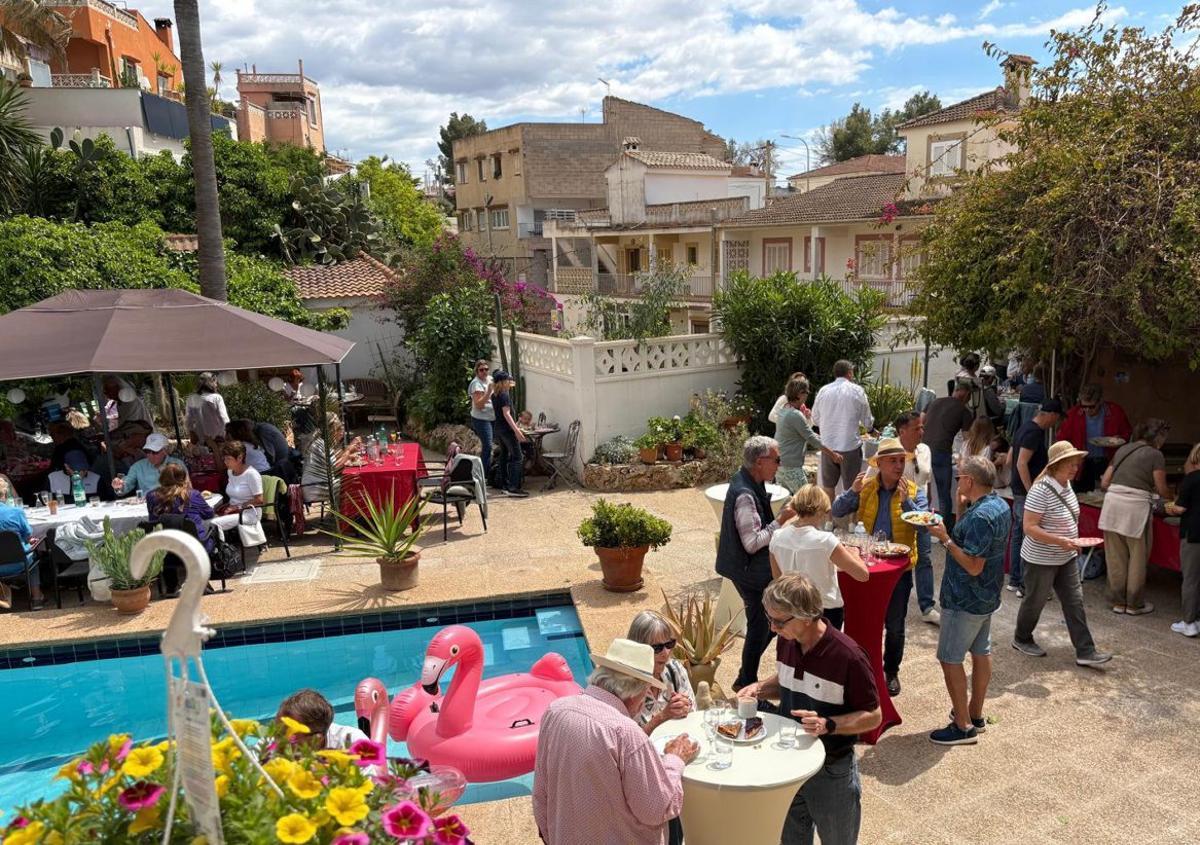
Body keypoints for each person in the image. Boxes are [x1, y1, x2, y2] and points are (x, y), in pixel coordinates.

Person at [737, 573, 880, 845]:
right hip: (789, 762)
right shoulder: (787, 640)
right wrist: (759, 688)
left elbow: (874, 715)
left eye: (778, 621)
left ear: (805, 616)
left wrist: (829, 724)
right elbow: (788, 680)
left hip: (831, 769)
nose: (773, 627)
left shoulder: (848, 656)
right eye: (769, 619)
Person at [533, 638, 699, 845]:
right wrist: (675, 759)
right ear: (636, 692)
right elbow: (658, 809)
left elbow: (541, 792)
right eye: (647, 691)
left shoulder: (555, 711)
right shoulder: (626, 734)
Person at [832, 437, 928, 696]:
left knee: (895, 624)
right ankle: (860, 666)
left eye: (901, 461)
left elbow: (923, 523)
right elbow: (836, 510)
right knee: (863, 619)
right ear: (881, 464)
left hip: (899, 568)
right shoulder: (866, 487)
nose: (899, 466)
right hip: (868, 565)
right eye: (893, 461)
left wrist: (907, 502)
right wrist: (852, 491)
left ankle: (891, 671)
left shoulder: (912, 490)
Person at [925, 457, 1011, 745]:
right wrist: (960, 509)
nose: (958, 481)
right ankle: (974, 714)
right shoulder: (998, 506)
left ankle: (962, 727)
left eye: (960, 477)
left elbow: (974, 565)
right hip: (988, 596)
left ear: (970, 481)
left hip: (965, 599)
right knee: (981, 651)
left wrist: (945, 539)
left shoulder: (979, 518)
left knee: (949, 659)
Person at [1011, 441, 1113, 666]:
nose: (1075, 468)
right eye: (1070, 464)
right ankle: (1022, 637)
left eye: (1075, 463)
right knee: (1035, 602)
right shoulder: (1040, 490)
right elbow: (1029, 527)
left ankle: (1086, 650)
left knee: (1075, 602)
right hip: (1041, 558)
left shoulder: (1066, 486)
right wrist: (1061, 540)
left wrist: (1070, 542)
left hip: (1066, 556)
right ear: (1056, 465)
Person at [716, 435, 798, 690]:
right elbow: (752, 542)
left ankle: (745, 678)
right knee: (762, 625)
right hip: (747, 572)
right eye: (776, 460)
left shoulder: (752, 482)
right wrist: (781, 520)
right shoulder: (744, 495)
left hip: (746, 568)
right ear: (761, 462)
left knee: (769, 625)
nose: (779, 465)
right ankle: (746, 683)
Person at [626, 611, 692, 845]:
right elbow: (626, 746)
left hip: (672, 764)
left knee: (676, 831)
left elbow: (692, 714)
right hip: (641, 774)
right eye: (656, 648)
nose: (666, 653)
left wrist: (684, 707)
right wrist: (660, 718)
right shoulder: (624, 684)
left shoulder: (674, 671)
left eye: (670, 644)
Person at [1098, 418, 1172, 615]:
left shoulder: (1123, 449)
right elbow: (1162, 488)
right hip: (1136, 509)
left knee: (1116, 557)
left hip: (1112, 506)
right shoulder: (1156, 454)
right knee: (1137, 558)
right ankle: (1133, 604)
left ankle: (1117, 602)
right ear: (1160, 436)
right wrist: (1173, 497)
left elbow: (1105, 482)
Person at [770, 485, 868, 629]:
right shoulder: (825, 541)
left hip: (792, 608)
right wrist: (855, 554)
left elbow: (778, 579)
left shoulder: (777, 537)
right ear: (821, 510)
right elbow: (862, 574)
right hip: (824, 610)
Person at [1007, 399, 1064, 597]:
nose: (1053, 424)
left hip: (1017, 489)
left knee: (1017, 535)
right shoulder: (1034, 432)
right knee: (1028, 537)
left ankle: (1015, 580)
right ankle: (1025, 585)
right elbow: (1022, 463)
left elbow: (1009, 459)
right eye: (1055, 419)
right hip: (1025, 492)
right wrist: (1032, 490)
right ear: (1051, 415)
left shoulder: (1024, 428)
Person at [896, 411, 938, 624]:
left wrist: (928, 507)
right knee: (895, 556)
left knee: (924, 556)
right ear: (902, 431)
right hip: (896, 510)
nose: (921, 432)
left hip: (919, 509)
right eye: (916, 428)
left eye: (922, 427)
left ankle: (927, 606)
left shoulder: (925, 450)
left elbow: (926, 481)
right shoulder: (891, 449)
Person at [810, 360, 873, 503]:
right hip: (849, 446)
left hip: (828, 447)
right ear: (849, 373)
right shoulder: (857, 390)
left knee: (828, 487)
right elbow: (867, 420)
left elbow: (815, 419)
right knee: (852, 487)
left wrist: (828, 425)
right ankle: (851, 523)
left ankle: (828, 522)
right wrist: (870, 429)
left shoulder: (823, 390)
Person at [1057, 384, 1132, 492]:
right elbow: (1061, 438)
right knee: (1082, 496)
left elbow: (1127, 432)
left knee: (1108, 494)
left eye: (1091, 407)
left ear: (1100, 402)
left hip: (1108, 461)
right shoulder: (1074, 414)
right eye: (1084, 406)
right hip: (1083, 463)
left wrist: (1119, 438)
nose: (1087, 410)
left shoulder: (1115, 411)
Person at [776, 374, 841, 493]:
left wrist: (825, 439)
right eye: (806, 392)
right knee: (807, 503)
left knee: (786, 504)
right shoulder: (795, 415)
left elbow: (806, 433)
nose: (807, 395)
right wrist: (833, 455)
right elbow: (811, 438)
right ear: (800, 394)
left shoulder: (783, 409)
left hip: (780, 466)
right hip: (792, 468)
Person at [923, 380, 974, 530]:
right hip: (941, 451)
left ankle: (922, 524)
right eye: (969, 395)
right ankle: (944, 528)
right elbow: (967, 440)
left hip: (924, 449)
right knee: (944, 493)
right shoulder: (964, 411)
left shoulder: (934, 401)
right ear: (964, 393)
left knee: (922, 488)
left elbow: (921, 420)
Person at [1167, 443, 1200, 637]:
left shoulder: (1192, 479)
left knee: (1191, 579)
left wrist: (1169, 507)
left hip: (1193, 534)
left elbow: (1180, 508)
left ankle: (1189, 622)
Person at [146, 463, 216, 553]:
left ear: (162, 478)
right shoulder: (193, 495)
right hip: (195, 548)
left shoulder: (151, 496)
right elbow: (209, 514)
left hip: (165, 548)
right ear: (183, 478)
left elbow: (152, 520)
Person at [212, 441, 266, 549]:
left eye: (228, 459)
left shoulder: (251, 474)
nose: (225, 462)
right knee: (204, 520)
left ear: (240, 458)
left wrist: (238, 507)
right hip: (232, 510)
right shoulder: (230, 472)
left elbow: (259, 500)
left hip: (249, 513)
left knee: (213, 525)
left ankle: (222, 553)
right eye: (224, 459)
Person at [277, 688, 370, 751]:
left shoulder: (355, 743)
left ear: (317, 740)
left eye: (285, 734)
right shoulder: (269, 747)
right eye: (276, 731)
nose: (276, 740)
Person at [301, 414, 361, 504]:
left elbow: (332, 461)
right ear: (332, 430)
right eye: (339, 429)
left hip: (315, 486)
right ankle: (349, 514)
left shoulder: (320, 441)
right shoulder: (322, 444)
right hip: (317, 488)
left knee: (353, 478)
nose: (341, 433)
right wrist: (348, 451)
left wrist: (348, 455)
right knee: (356, 481)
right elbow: (335, 467)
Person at [0, 497, 45, 610]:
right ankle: (37, 597)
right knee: (33, 555)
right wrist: (28, 541)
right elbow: (28, 535)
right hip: (19, 562)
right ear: (4, 496)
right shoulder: (16, 512)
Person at [490, 370, 528, 498]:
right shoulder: (504, 395)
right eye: (507, 380)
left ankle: (504, 484)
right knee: (517, 457)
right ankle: (513, 487)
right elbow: (506, 414)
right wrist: (516, 430)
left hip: (498, 428)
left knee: (504, 455)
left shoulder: (495, 395)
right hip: (506, 430)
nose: (509, 382)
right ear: (502, 382)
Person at [113, 433, 187, 497]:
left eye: (155, 452)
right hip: (146, 506)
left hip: (172, 504)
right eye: (148, 451)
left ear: (165, 450)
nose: (150, 455)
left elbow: (187, 487)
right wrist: (119, 485)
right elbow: (126, 484)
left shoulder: (177, 464)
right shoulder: (138, 466)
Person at [955, 418, 995, 519]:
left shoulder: (965, 444)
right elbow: (984, 469)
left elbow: (959, 463)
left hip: (964, 481)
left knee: (962, 512)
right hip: (978, 485)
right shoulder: (986, 449)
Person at [186, 373, 230, 451]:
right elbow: (224, 419)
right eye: (215, 382)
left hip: (201, 443)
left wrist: (193, 436)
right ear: (211, 383)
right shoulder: (217, 398)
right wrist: (227, 435)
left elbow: (189, 422)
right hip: (218, 442)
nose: (217, 385)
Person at [468, 360, 496, 478]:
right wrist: (489, 392)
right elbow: (479, 405)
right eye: (481, 370)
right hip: (481, 419)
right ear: (477, 371)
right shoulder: (476, 384)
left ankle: (488, 471)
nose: (484, 372)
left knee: (493, 445)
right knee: (488, 445)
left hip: (492, 417)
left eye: (486, 369)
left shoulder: (490, 379)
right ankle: (483, 475)